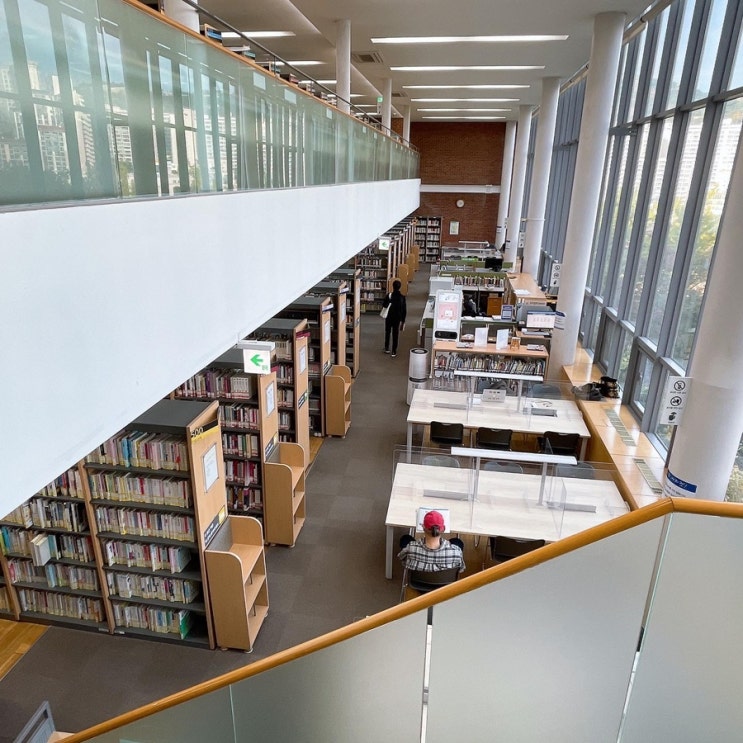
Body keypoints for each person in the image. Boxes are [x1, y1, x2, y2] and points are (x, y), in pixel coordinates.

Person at [398, 510, 465, 573]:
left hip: (417, 580)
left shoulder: (410, 548)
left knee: (405, 539)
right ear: (444, 528)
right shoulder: (456, 552)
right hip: (446, 581)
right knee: (457, 542)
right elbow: (461, 569)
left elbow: (401, 558)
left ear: (423, 527)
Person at [382, 279, 407, 357]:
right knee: (395, 334)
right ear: (400, 287)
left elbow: (384, 305)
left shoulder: (389, 295)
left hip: (389, 317)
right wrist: (403, 320)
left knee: (388, 332)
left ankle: (387, 348)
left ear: (393, 286)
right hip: (397, 318)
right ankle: (394, 351)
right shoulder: (402, 297)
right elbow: (404, 310)